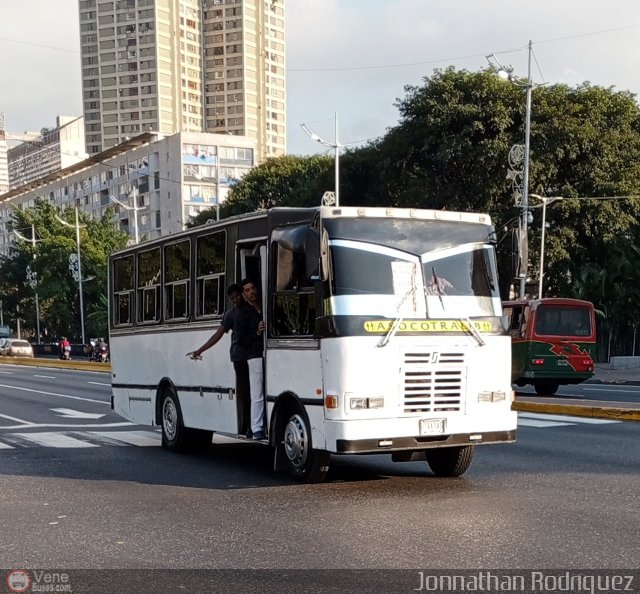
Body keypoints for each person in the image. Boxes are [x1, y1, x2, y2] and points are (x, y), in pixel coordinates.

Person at [186, 283, 251, 435]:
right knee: (245, 392)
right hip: (239, 357)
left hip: (253, 355)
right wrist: (200, 350)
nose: (235, 300)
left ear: (242, 294)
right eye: (232, 298)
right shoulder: (231, 314)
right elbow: (218, 335)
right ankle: (247, 425)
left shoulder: (252, 309)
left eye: (237, 296)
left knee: (253, 392)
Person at [236, 278, 266, 440]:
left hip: (267, 353)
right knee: (257, 393)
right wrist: (257, 333)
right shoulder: (244, 313)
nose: (251, 292)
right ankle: (256, 428)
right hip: (253, 355)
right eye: (247, 290)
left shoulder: (264, 306)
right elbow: (240, 338)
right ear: (243, 294)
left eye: (253, 288)